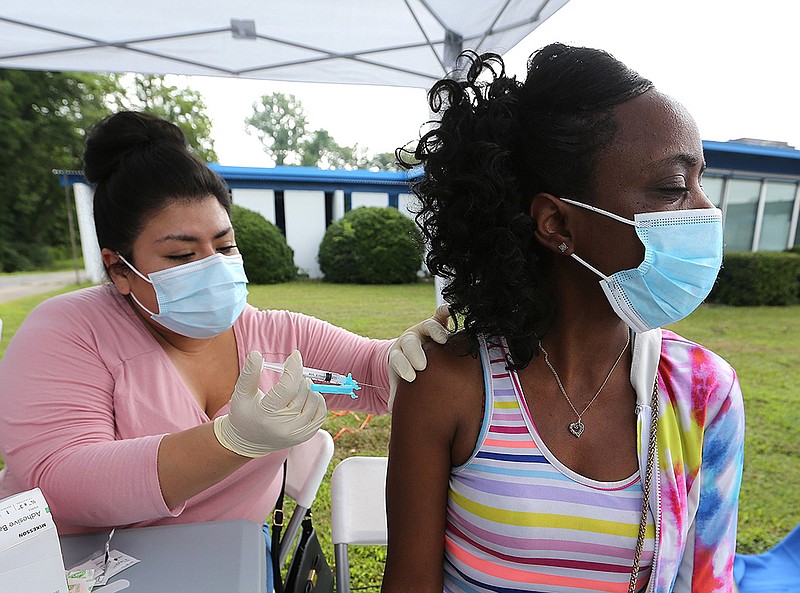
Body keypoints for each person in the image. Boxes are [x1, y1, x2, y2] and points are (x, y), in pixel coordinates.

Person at [382, 44, 745, 593]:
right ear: (556, 222)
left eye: (699, 183)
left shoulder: (703, 392)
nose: (703, 212)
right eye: (673, 188)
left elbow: (709, 580)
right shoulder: (449, 385)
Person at [0, 111, 449, 540]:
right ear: (119, 268)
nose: (212, 268)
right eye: (181, 255)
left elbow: (371, 374)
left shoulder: (274, 335)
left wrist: (404, 354)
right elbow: (59, 482)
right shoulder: (68, 332)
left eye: (225, 245)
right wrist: (231, 440)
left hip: (229, 564)